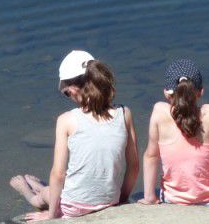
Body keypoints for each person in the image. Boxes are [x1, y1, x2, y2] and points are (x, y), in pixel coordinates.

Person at [9, 50, 139, 220]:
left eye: (66, 93)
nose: (68, 97)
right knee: (60, 188)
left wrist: (52, 215)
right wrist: (120, 200)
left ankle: (29, 191)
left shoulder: (66, 120)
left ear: (74, 90)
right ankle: (38, 185)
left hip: (74, 206)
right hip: (110, 200)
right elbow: (134, 166)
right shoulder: (124, 113)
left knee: (45, 196)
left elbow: (58, 174)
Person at [138, 58, 209, 206]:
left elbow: (151, 156)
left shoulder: (159, 112)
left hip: (172, 200)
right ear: (200, 92)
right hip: (208, 200)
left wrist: (149, 197)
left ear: (166, 93)